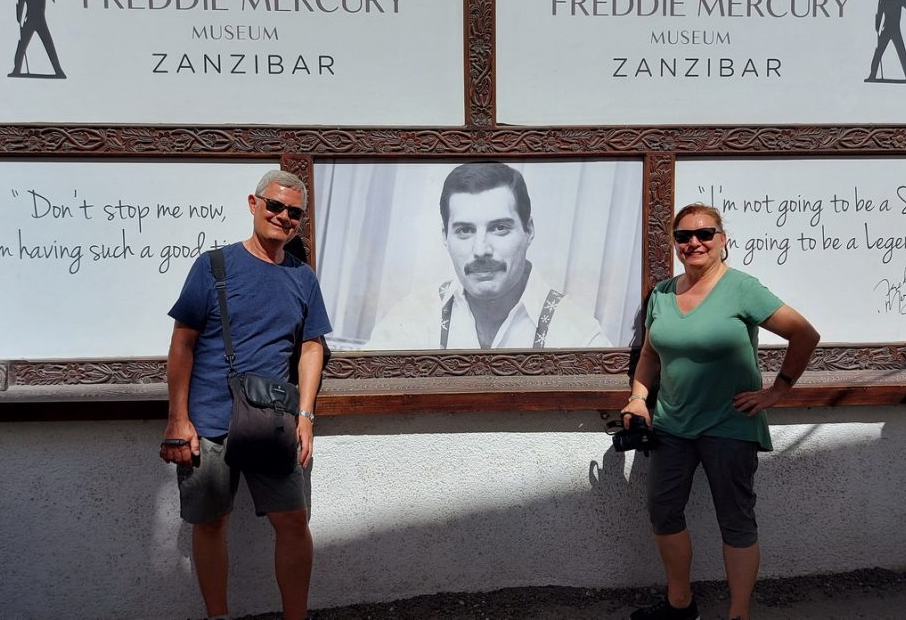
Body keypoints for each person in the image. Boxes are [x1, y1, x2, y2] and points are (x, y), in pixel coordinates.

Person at [621, 203, 820, 620]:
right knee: (663, 513)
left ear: (722, 239)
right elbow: (650, 354)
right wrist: (639, 397)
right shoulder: (662, 294)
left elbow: (804, 334)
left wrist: (777, 391)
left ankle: (738, 613)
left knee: (736, 520)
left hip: (729, 425)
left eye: (705, 234)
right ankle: (680, 605)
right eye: (683, 236)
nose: (694, 242)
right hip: (672, 426)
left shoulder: (742, 289)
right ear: (675, 243)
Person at [161, 170, 331, 620]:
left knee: (292, 521)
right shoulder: (213, 266)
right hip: (210, 421)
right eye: (274, 205)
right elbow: (182, 343)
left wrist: (306, 416)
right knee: (211, 522)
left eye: (294, 212)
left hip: (274, 421)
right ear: (254, 204)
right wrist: (178, 418)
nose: (283, 216)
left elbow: (311, 346)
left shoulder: (302, 278)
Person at [365, 161, 611, 349]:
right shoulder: (410, 320)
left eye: (499, 228)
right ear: (445, 237)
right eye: (465, 230)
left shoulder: (579, 336)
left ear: (529, 230)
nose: (481, 249)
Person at [9, 0, 66, 79]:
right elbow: (20, 5)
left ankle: (58, 70)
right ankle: (17, 69)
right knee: (22, 45)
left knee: (49, 45)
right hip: (30, 20)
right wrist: (19, 18)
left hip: (40, 21)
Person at [865, 0, 906, 84]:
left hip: (895, 30)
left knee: (902, 53)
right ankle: (872, 75)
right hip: (886, 29)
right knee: (878, 52)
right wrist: (877, 27)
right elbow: (879, 14)